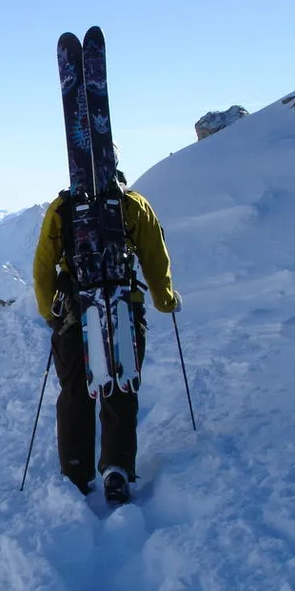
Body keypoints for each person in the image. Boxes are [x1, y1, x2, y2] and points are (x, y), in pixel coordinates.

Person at [32, 170, 181, 504]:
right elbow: (155, 258)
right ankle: (117, 469)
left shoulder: (62, 207)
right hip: (123, 310)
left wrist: (49, 313)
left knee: (75, 392)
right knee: (121, 388)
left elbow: (43, 266)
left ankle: (75, 473)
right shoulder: (134, 204)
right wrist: (165, 300)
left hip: (74, 313)